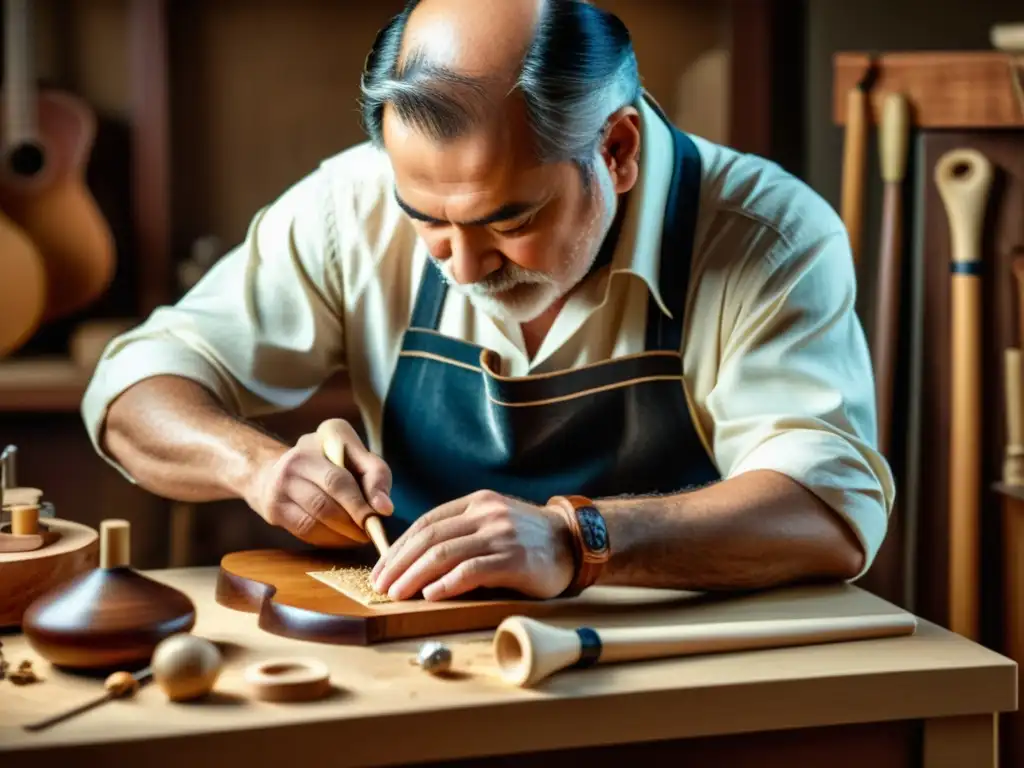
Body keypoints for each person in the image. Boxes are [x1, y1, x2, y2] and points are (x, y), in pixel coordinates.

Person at [81, 0, 893, 603]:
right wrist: (258, 468)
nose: (463, 267)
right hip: (428, 651)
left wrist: (579, 538)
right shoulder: (349, 206)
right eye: (425, 219)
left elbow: (826, 509)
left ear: (616, 151)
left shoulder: (766, 234)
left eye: (512, 218)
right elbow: (133, 389)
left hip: (688, 666)